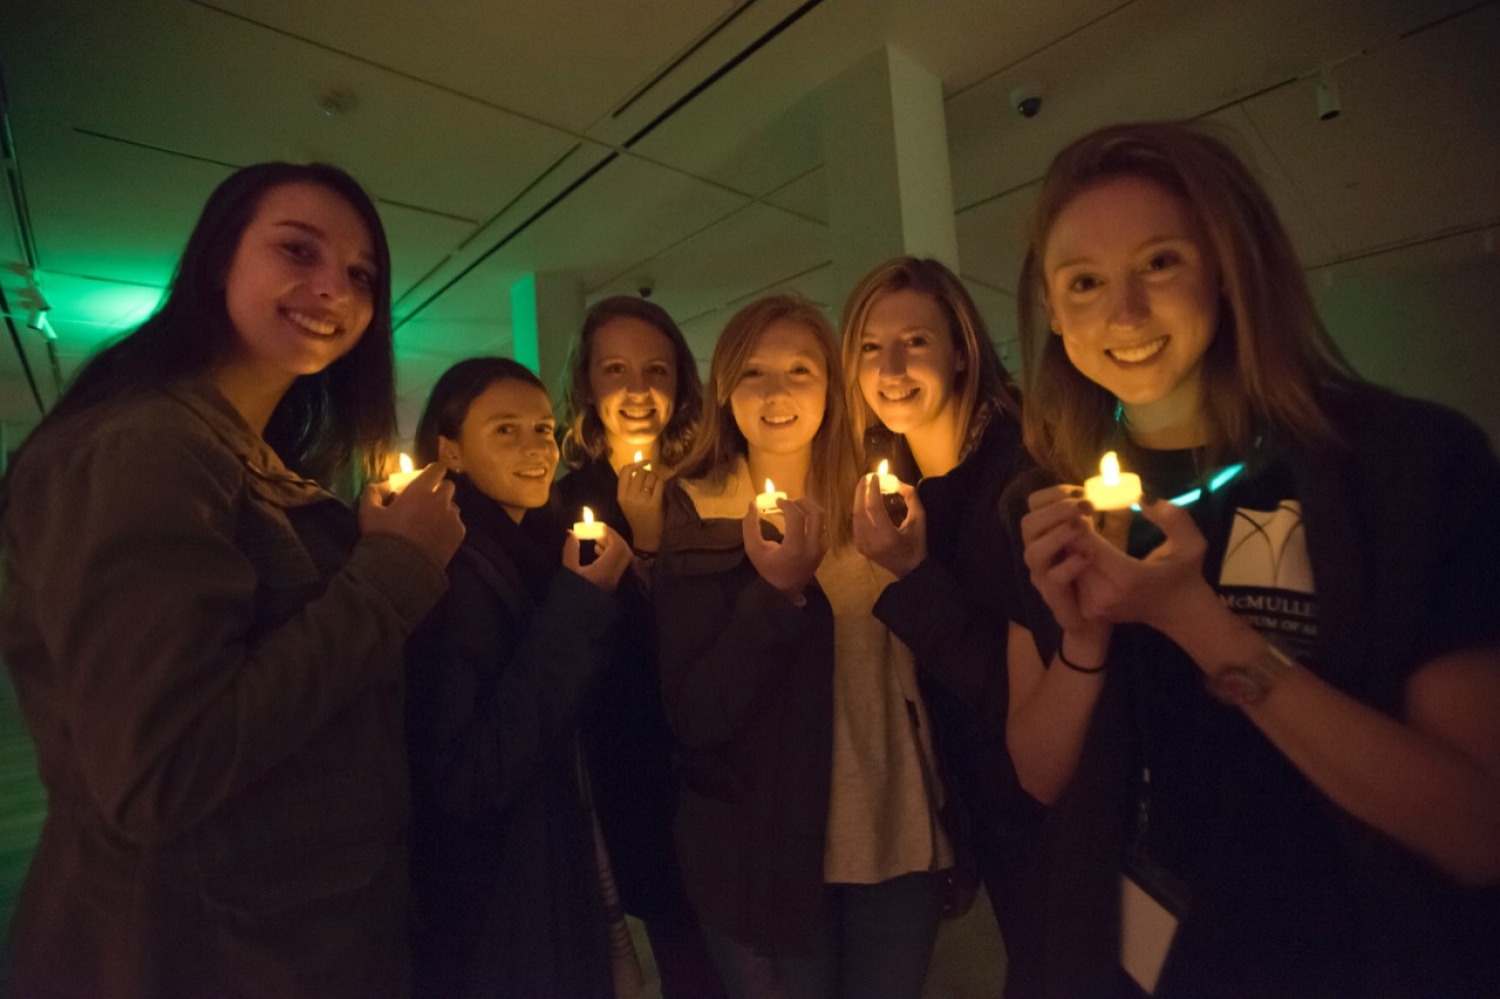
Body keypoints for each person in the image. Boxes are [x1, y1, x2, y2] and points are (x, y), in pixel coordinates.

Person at [1004, 121, 1500, 997]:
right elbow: (1041, 775)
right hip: (1121, 954)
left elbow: (1475, 827)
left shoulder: (1407, 469)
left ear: (1233, 268)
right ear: (1051, 309)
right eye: (1084, 282)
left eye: (1160, 263)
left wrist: (1196, 620)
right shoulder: (1052, 502)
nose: (1123, 314)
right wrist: (1082, 637)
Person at [0, 162, 465, 997]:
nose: (334, 289)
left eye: (361, 275)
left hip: (280, 934)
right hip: (196, 950)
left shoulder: (236, 453)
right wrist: (396, 568)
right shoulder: (147, 445)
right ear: (219, 260)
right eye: (298, 250)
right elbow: (161, 771)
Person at [656, 295, 952, 999]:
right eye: (754, 373)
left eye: (800, 369)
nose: (779, 391)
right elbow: (694, 711)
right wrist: (776, 596)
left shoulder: (881, 502)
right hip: (764, 854)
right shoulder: (697, 512)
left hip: (895, 830)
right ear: (725, 390)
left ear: (832, 385)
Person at [838, 257, 1042, 996]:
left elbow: (1015, 696)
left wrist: (909, 575)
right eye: (869, 347)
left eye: (914, 343)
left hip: (1049, 825)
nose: (889, 368)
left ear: (961, 349)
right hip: (988, 817)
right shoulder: (911, 480)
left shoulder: (1019, 475)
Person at [404, 357, 634, 999]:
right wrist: (582, 602)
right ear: (449, 449)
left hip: (543, 870)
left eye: (544, 430)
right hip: (498, 897)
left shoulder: (529, 546)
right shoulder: (455, 570)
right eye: (506, 431)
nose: (538, 450)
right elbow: (472, 769)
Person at [553, 296, 726, 999]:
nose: (636, 389)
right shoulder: (565, 503)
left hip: (735, 766)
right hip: (641, 776)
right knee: (691, 964)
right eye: (615, 368)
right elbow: (597, 655)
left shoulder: (717, 480)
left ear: (682, 382)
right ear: (587, 384)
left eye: (656, 368)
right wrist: (644, 547)